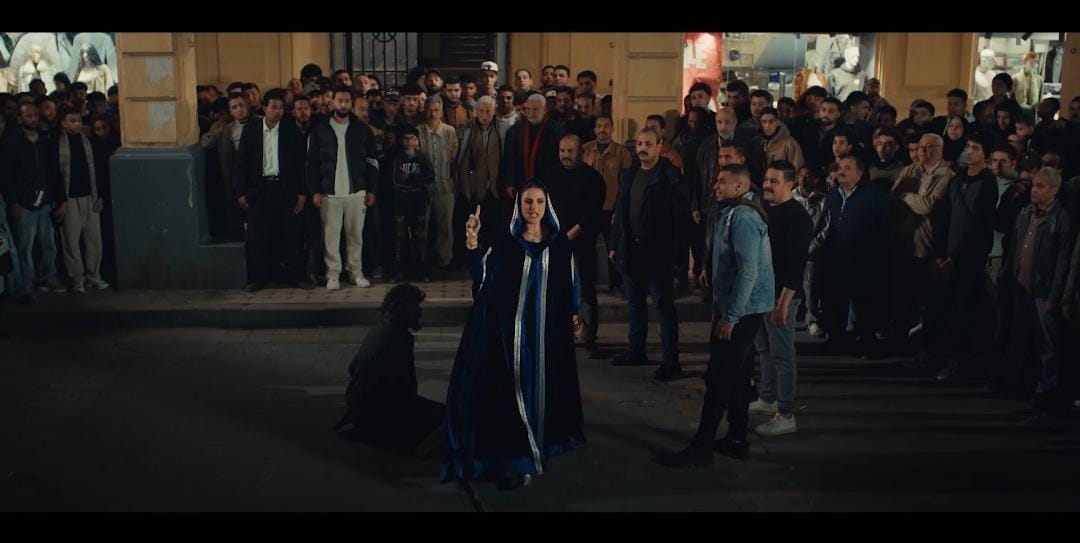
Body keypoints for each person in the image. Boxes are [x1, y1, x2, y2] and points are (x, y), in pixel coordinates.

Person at [443, 181, 586, 491]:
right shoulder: (507, 244)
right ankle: (519, 459)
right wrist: (471, 240)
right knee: (516, 390)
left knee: (542, 390)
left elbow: (570, 282)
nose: (533, 208)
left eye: (539, 202)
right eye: (527, 202)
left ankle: (538, 446)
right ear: (519, 207)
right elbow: (482, 277)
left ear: (547, 206)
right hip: (513, 337)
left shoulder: (559, 245)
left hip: (547, 335)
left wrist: (574, 315)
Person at [653, 164, 774, 467]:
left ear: (739, 187)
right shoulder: (730, 212)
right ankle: (736, 439)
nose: (715, 186)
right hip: (738, 306)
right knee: (739, 375)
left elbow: (748, 272)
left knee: (718, 377)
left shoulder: (744, 217)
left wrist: (730, 317)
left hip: (742, 310)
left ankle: (702, 447)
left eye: (721, 181)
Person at [334, 284, 445, 458]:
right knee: (443, 419)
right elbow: (404, 388)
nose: (419, 311)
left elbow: (354, 367)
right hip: (377, 410)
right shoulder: (395, 336)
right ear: (402, 308)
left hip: (366, 406)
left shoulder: (384, 328)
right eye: (415, 305)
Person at [609, 128, 683, 380]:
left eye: (648, 144)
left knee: (662, 306)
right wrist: (615, 244)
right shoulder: (630, 174)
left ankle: (671, 360)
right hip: (632, 250)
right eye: (639, 143)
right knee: (634, 303)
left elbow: (678, 218)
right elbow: (620, 211)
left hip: (658, 252)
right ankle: (636, 350)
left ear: (659, 146)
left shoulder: (669, 177)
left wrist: (676, 256)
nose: (642, 148)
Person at [751, 161, 811, 436]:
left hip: (781, 296)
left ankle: (786, 413)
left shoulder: (798, 217)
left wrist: (783, 303)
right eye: (766, 179)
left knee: (782, 355)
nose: (767, 185)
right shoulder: (764, 209)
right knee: (764, 349)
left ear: (790, 184)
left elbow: (796, 266)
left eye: (774, 181)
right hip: (761, 293)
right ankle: (767, 397)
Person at [235, 89, 313, 292]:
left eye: (281, 108)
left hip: (285, 189)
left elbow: (300, 164)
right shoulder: (251, 130)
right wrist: (241, 192)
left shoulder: (290, 130)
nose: (278, 111)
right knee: (259, 235)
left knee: (291, 234)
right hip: (259, 189)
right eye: (274, 107)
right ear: (264, 108)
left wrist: (301, 193)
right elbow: (241, 163)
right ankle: (259, 278)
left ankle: (296, 276)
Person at [307, 85, 379, 291]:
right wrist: (315, 191)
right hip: (329, 193)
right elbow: (312, 163)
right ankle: (333, 274)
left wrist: (371, 190)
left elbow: (372, 161)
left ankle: (356, 273)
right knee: (331, 237)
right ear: (332, 103)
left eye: (347, 101)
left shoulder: (362, 129)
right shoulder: (320, 129)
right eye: (340, 101)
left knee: (356, 236)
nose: (343, 105)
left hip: (357, 192)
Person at [544, 134, 606, 357]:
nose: (566, 155)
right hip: (554, 242)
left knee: (585, 291)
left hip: (582, 244)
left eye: (570, 151)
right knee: (555, 290)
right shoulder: (551, 175)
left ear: (581, 152)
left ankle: (588, 338)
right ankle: (558, 336)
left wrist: (568, 236)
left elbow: (590, 215)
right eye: (562, 150)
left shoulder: (593, 179)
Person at [52, 106, 108, 292]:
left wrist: (99, 196)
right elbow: (55, 175)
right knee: (71, 241)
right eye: (72, 121)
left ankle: (94, 275)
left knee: (94, 240)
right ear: (63, 123)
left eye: (79, 121)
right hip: (69, 198)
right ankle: (77, 279)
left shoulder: (88, 141)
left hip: (89, 196)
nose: (77, 124)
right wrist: (61, 201)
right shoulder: (56, 143)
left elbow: (97, 169)